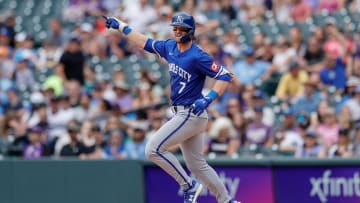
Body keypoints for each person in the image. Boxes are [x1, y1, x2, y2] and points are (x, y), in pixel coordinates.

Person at [104, 12, 240, 203]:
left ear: (190, 31)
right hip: (185, 114)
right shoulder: (170, 47)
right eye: (175, 28)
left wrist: (208, 98)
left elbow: (225, 76)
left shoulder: (197, 55)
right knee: (197, 165)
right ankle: (227, 200)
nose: (177, 31)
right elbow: (144, 41)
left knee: (153, 149)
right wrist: (120, 26)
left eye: (181, 28)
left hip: (191, 112)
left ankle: (188, 185)